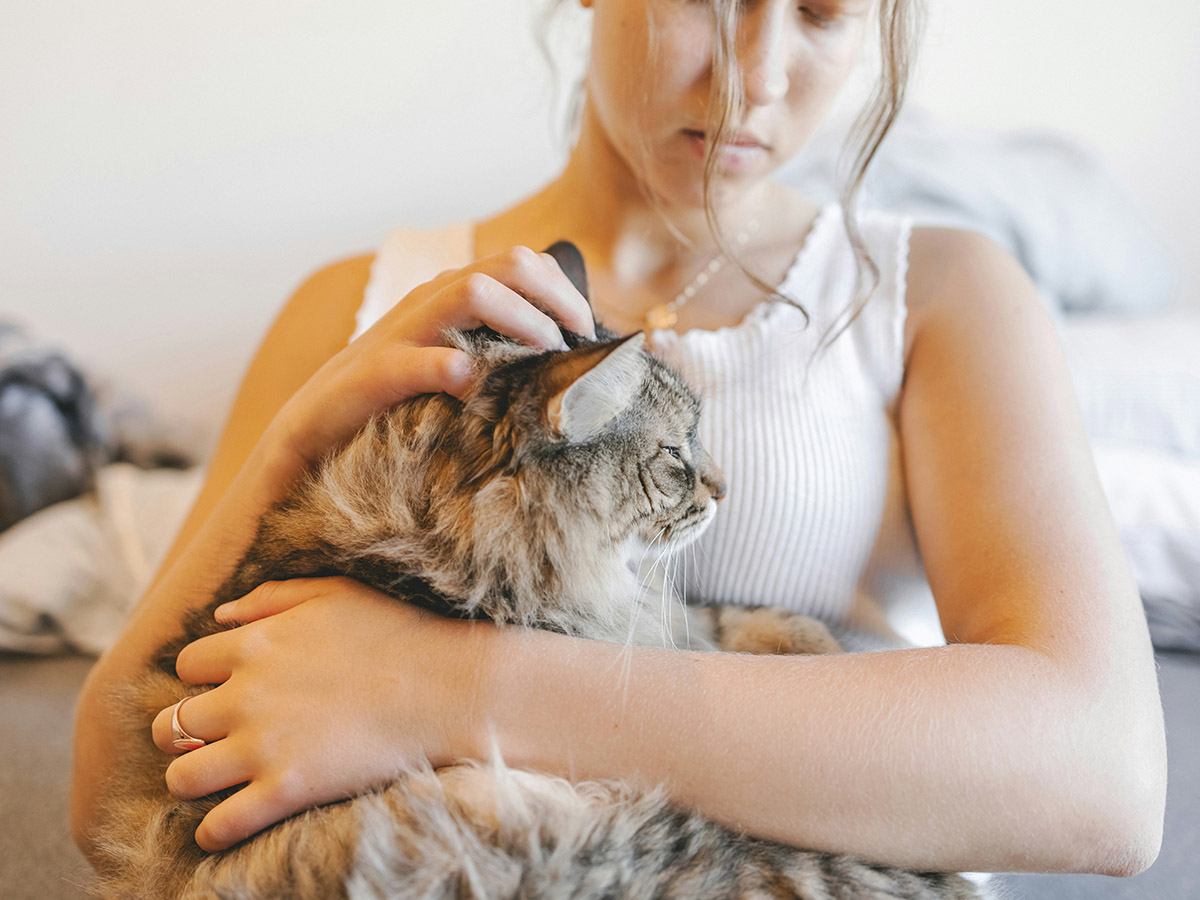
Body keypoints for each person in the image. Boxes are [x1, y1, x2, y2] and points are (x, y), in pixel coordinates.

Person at [71, 0, 1166, 877]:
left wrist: (437, 688)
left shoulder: (938, 290)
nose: (758, 75)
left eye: (825, 14)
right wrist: (294, 441)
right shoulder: (355, 302)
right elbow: (104, 799)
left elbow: (1103, 779)